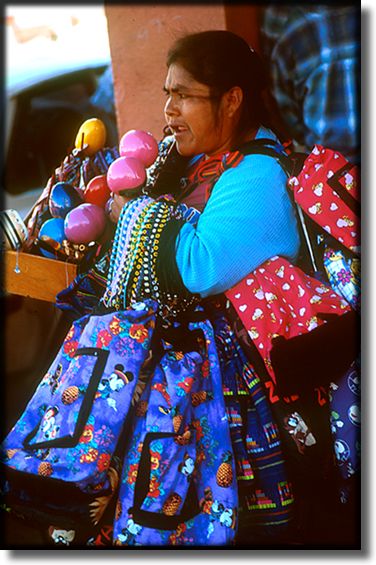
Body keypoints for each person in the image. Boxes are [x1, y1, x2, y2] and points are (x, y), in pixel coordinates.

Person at [260, 4, 360, 164]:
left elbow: (285, 109)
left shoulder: (295, 27)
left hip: (324, 167)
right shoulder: (292, 24)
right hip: (324, 164)